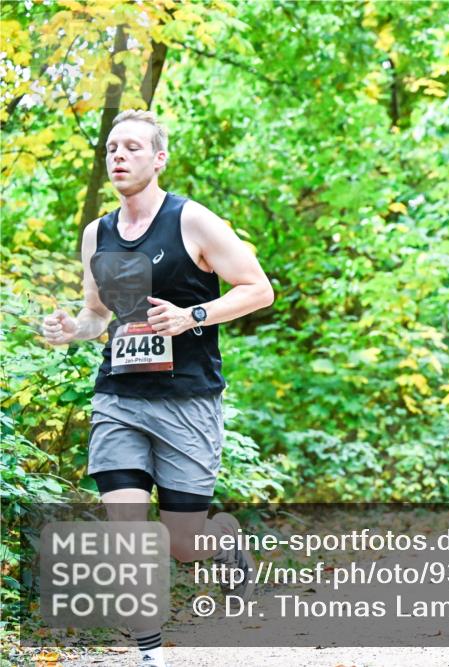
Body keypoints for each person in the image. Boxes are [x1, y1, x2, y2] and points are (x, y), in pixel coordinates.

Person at [42, 110, 274, 667]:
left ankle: (221, 541)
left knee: (181, 543)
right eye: (111, 148)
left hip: (187, 402)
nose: (118, 156)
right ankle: (149, 654)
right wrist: (74, 329)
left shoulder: (192, 222)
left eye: (132, 148)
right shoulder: (95, 234)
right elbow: (97, 314)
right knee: (126, 531)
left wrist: (193, 315)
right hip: (119, 399)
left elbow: (258, 289)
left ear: (159, 158)